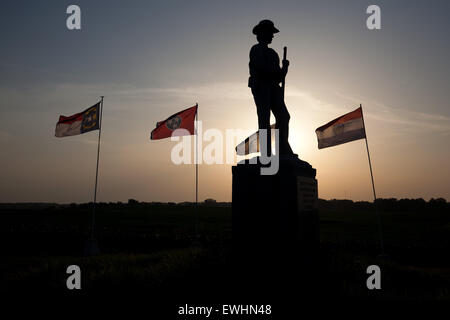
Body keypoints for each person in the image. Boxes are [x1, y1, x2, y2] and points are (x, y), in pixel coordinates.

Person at [249, 19, 294, 156]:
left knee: (284, 117)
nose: (273, 36)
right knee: (264, 118)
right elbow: (262, 68)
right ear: (263, 33)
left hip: (274, 88)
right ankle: (266, 152)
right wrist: (277, 73)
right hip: (262, 86)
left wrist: (284, 68)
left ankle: (282, 149)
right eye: (271, 33)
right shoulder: (256, 49)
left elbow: (279, 78)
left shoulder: (273, 53)